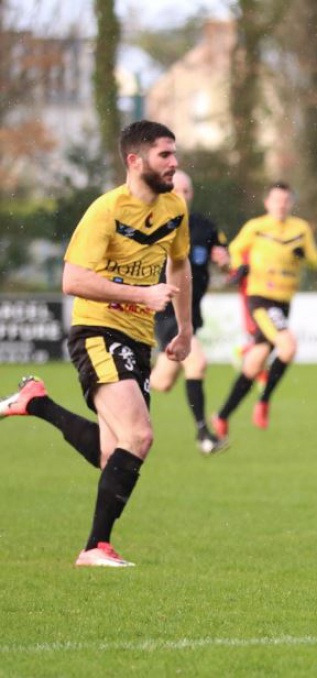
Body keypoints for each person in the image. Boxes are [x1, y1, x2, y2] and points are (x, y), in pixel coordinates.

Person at [0, 120, 190, 567]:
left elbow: (179, 265)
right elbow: (72, 280)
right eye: (164, 155)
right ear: (135, 160)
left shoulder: (174, 207)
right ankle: (94, 548)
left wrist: (185, 329)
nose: (174, 163)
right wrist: (141, 294)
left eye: (174, 153)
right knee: (139, 435)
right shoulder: (106, 210)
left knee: (112, 453)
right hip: (97, 331)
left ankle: (36, 403)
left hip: (139, 338)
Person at [212, 182, 317, 438]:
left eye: (285, 201)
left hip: (284, 302)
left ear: (291, 203)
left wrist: (303, 254)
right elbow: (235, 249)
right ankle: (264, 401)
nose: (281, 205)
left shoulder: (300, 229)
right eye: (276, 200)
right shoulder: (256, 227)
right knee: (288, 346)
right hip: (260, 298)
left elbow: (316, 262)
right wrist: (239, 267)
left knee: (254, 363)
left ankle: (222, 416)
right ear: (267, 203)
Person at [148, 170, 231, 455]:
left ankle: (132, 373)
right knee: (197, 362)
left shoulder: (205, 227)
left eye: (186, 191)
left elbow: (224, 260)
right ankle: (203, 434)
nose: (181, 196)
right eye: (176, 191)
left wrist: (223, 260)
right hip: (166, 312)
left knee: (162, 382)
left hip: (190, 313)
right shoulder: (155, 224)